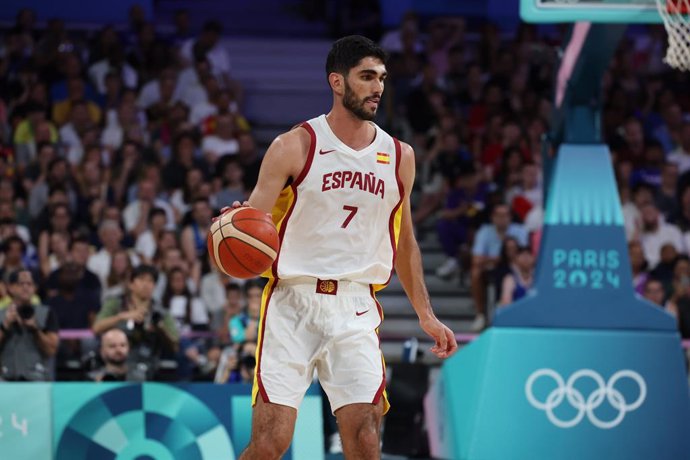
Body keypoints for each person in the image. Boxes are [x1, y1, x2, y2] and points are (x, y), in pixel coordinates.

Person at [214, 36, 457, 460]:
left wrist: (427, 314)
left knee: (365, 441)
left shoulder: (399, 156)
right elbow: (253, 226)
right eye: (366, 77)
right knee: (271, 443)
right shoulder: (295, 145)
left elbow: (404, 241)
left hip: (356, 307)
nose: (377, 87)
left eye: (381, 77)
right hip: (293, 302)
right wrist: (237, 226)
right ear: (337, 82)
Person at [92, 264, 179, 380]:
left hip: (149, 361)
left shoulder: (160, 312)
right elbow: (96, 328)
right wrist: (122, 317)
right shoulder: (116, 304)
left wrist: (160, 329)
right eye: (141, 279)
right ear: (131, 284)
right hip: (115, 360)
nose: (146, 285)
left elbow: (175, 345)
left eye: (151, 281)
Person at [0, 269, 59, 381]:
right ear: (11, 288)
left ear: (34, 288)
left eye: (29, 284)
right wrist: (5, 325)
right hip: (5, 379)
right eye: (21, 283)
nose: (26, 287)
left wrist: (36, 330)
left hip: (37, 379)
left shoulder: (46, 313)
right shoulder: (1, 315)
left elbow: (52, 350)